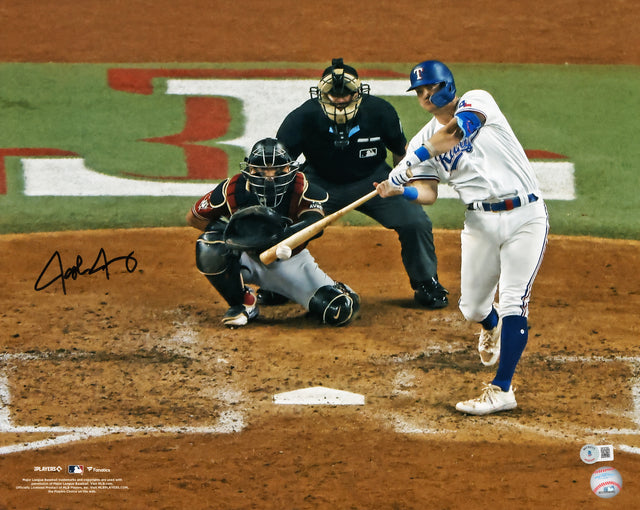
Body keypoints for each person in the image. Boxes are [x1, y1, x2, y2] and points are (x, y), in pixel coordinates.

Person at [376, 60, 549, 415]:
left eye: (432, 87)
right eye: (420, 92)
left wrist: (407, 163)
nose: (426, 96)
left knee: (515, 300)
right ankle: (491, 325)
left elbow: (456, 133)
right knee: (473, 308)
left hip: (526, 216)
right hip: (480, 222)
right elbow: (428, 193)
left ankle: (502, 389)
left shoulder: (477, 101)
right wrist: (400, 190)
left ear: (448, 85)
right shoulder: (420, 140)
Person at [276, 58, 449, 309]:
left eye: (345, 94)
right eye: (333, 94)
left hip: (374, 180)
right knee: (284, 222)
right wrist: (286, 203)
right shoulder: (302, 117)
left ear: (358, 92)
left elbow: (401, 153)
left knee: (415, 221)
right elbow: (281, 165)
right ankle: (277, 283)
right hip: (320, 182)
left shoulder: (380, 112)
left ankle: (426, 283)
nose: (339, 99)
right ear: (321, 94)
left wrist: (400, 182)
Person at [186, 137, 360, 328]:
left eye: (277, 169)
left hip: (290, 262)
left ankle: (289, 290)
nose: (269, 176)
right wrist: (234, 235)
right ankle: (243, 303)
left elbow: (315, 223)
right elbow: (195, 217)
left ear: (289, 168)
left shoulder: (301, 187)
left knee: (338, 310)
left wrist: (282, 236)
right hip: (246, 258)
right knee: (210, 246)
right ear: (250, 169)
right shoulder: (233, 189)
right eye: (262, 169)